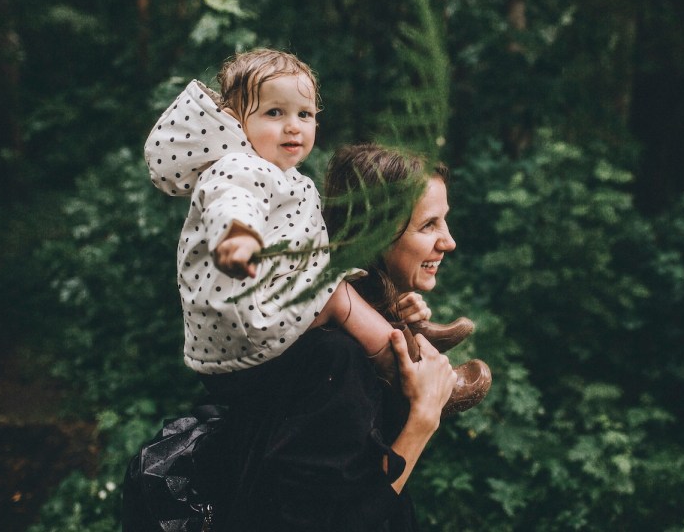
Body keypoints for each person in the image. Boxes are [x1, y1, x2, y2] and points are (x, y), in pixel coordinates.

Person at [143, 48, 486, 414]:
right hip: (246, 323)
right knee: (335, 294)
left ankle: (407, 333)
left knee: (337, 287)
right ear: (236, 119)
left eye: (304, 114)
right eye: (274, 113)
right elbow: (231, 202)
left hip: (246, 325)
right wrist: (238, 236)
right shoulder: (239, 168)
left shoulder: (281, 175)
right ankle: (414, 375)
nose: (293, 126)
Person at [198, 142, 489, 530]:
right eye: (428, 225)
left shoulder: (341, 340)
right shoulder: (336, 357)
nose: (448, 241)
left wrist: (391, 314)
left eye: (444, 222)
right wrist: (423, 418)